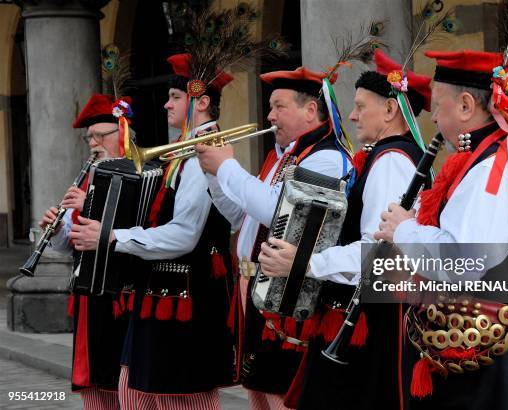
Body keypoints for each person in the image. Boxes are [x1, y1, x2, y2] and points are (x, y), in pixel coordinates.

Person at [375, 50, 508, 409]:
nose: (432, 117)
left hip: (492, 359)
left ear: (466, 105)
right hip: (468, 351)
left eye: (436, 104)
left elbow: (463, 261)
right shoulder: (486, 158)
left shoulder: (498, 166)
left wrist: (404, 230)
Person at [258, 49, 432, 410]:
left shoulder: (391, 162)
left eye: (360, 106)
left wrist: (305, 262)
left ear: (390, 109)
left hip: (372, 319)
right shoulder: (391, 157)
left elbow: (379, 253)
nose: (351, 115)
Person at [71, 53, 235, 409]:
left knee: (179, 397)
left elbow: (184, 234)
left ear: (202, 102)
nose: (166, 104)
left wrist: (114, 236)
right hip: (157, 291)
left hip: (184, 296)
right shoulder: (181, 154)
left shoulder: (206, 154)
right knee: (132, 391)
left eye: (175, 97)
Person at [197, 66, 351, 409]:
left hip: (288, 295)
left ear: (310, 110)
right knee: (258, 393)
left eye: (279, 106)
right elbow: (241, 216)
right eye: (270, 107)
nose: (270, 116)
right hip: (255, 290)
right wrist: (212, 174)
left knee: (281, 395)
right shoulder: (280, 158)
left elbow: (276, 210)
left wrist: (227, 167)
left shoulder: (325, 158)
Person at [39, 93, 132, 409]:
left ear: (123, 131)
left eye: (100, 135)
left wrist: (90, 204)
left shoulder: (141, 170)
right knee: (96, 381)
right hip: (90, 293)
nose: (93, 143)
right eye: (89, 137)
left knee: (128, 382)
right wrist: (57, 230)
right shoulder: (87, 177)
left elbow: (138, 226)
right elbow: (69, 242)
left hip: (124, 294)